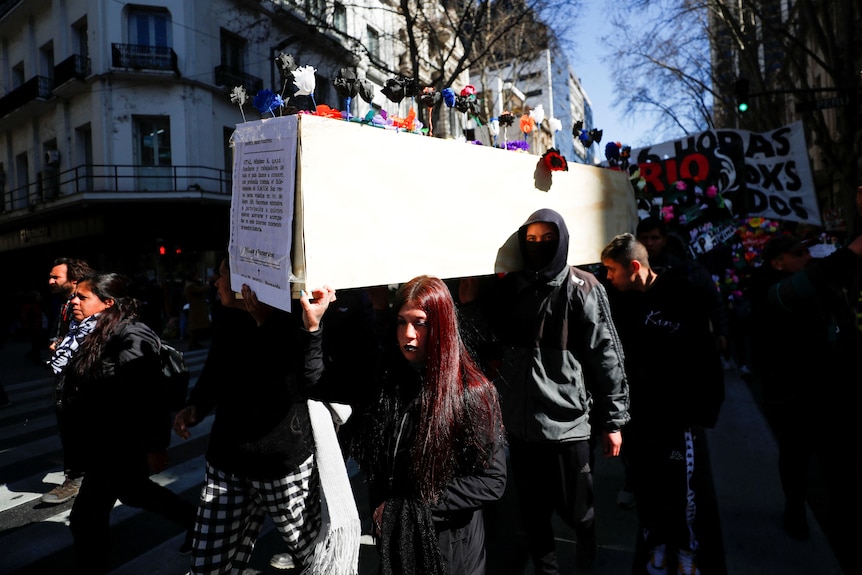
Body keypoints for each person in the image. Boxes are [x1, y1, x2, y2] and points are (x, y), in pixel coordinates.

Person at [460, 208, 630, 574]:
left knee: (579, 512)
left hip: (569, 428)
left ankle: (587, 558)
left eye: (547, 239)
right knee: (532, 515)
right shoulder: (509, 289)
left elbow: (607, 357)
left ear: (562, 240)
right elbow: (485, 342)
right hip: (521, 430)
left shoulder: (584, 289)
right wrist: (471, 303)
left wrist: (612, 420)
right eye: (531, 240)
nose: (539, 246)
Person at [172, 257, 354, 575]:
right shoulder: (227, 317)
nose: (215, 281)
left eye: (222, 274)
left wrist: (264, 325)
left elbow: (293, 388)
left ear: (246, 278)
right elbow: (217, 369)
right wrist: (196, 406)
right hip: (227, 462)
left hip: (281, 464)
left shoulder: (288, 320)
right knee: (207, 563)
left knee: (316, 558)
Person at [352, 275, 507, 575]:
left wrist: (410, 508)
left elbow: (491, 481)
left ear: (441, 326)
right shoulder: (393, 384)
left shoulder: (472, 392)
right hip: (398, 546)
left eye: (419, 322)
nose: (407, 334)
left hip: (450, 556)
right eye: (401, 321)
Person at [52, 272, 197, 574]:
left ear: (107, 302)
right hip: (104, 441)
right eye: (74, 295)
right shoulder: (90, 332)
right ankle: (200, 524)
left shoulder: (131, 334)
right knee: (135, 492)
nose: (74, 301)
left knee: (85, 519)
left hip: (120, 442)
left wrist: (155, 446)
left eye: (82, 296)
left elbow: (148, 396)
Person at [600, 233, 724, 575]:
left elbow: (706, 354)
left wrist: (704, 409)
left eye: (612, 269)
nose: (607, 276)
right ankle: (655, 541)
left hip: (675, 423)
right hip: (635, 423)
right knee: (644, 483)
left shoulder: (682, 294)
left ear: (634, 267)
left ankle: (684, 547)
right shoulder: (615, 300)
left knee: (679, 486)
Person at [748, 198, 862, 545]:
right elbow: (826, 271)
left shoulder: (822, 288)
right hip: (792, 394)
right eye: (798, 254)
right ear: (778, 263)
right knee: (796, 456)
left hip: (831, 389)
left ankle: (843, 515)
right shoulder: (771, 290)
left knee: (838, 457)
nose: (807, 257)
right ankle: (795, 510)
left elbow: (840, 275)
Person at [42, 257, 94, 505]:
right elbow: (62, 331)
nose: (50, 281)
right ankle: (77, 476)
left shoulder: (94, 303)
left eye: (55, 277)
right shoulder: (64, 305)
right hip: (68, 376)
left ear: (74, 280)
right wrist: (58, 342)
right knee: (70, 428)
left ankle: (80, 477)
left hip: (89, 379)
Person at [183, 275, 212, 349]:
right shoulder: (191, 286)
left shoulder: (190, 285)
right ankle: (193, 344)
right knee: (194, 328)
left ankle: (195, 343)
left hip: (196, 309)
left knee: (195, 328)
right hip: (196, 309)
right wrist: (207, 283)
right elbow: (201, 290)